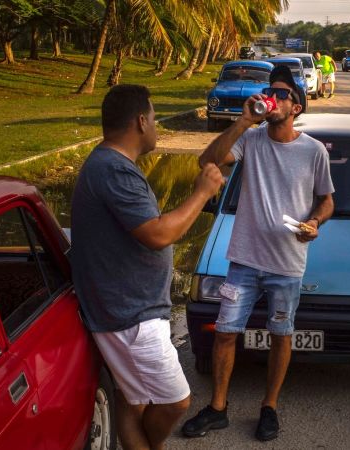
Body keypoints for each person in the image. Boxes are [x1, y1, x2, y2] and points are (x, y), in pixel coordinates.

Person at [181, 65, 335, 442]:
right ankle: (217, 408)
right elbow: (208, 162)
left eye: (281, 94)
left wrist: (315, 222)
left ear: (296, 107)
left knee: (281, 334)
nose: (273, 97)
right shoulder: (250, 140)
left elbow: (327, 200)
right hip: (244, 261)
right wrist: (242, 121)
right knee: (225, 333)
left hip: (287, 264)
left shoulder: (313, 151)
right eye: (270, 91)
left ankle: (269, 406)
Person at [71, 84, 225, 450]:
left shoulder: (110, 165)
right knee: (176, 401)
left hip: (130, 310)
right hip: (130, 317)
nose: (156, 127)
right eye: (154, 119)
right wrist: (202, 191)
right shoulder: (114, 171)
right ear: (141, 121)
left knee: (132, 399)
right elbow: (158, 234)